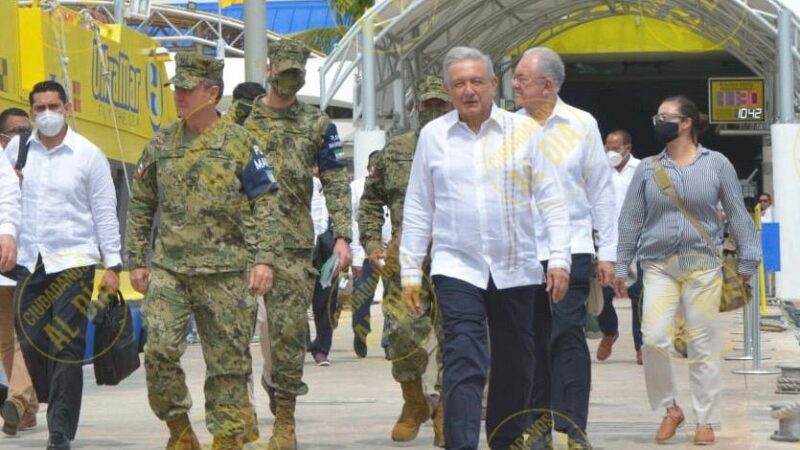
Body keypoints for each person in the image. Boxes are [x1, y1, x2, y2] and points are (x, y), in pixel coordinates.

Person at [400, 47, 571, 450]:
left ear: (494, 84)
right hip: (456, 266)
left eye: (477, 81)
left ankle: (504, 439)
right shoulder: (434, 137)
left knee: (516, 363)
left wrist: (560, 259)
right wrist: (410, 271)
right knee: (464, 357)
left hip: (516, 266)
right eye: (459, 83)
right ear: (447, 89)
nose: (469, 90)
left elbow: (551, 199)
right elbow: (419, 205)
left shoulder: (525, 132)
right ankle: (461, 443)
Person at [126, 53, 278, 450]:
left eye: (187, 88)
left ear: (212, 93)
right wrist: (137, 261)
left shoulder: (241, 142)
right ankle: (178, 428)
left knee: (227, 363)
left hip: (227, 272)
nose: (178, 95)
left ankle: (227, 437)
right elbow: (142, 203)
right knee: (158, 350)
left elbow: (265, 203)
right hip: (171, 271)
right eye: (176, 88)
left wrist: (264, 259)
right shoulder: (160, 144)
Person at [615, 95, 760, 446]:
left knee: (702, 344)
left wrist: (748, 258)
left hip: (702, 265)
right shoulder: (648, 169)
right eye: (656, 116)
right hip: (659, 266)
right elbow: (631, 219)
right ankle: (671, 408)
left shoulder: (717, 164)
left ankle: (706, 420)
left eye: (666, 117)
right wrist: (622, 264)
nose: (658, 122)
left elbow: (737, 213)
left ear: (686, 123)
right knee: (653, 339)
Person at [244, 38, 352, 450]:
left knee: (289, 336)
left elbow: (336, 180)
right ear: (269, 70)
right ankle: (240, 410)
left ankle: (285, 417)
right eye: (283, 72)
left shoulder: (318, 125)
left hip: (292, 246)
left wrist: (343, 234)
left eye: (296, 75)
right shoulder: (242, 125)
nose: (288, 81)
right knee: (233, 337)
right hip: (242, 244)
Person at [3, 80, 121, 450]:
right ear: (32, 111)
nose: (47, 114)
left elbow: (105, 213)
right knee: (32, 341)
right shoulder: (17, 153)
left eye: (54, 106)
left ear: (68, 108)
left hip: (73, 260)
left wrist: (114, 264)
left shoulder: (88, 155)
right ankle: (49, 400)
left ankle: (60, 430)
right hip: (29, 262)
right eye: (40, 108)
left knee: (65, 345)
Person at [513, 47, 616, 447]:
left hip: (571, 249)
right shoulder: (508, 127)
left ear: (548, 84)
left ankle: (572, 427)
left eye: (523, 77)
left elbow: (601, 191)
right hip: (522, 254)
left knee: (567, 336)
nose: (515, 84)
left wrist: (606, 252)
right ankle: (537, 431)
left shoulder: (580, 124)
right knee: (531, 342)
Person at [359, 75, 452, 447]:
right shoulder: (394, 151)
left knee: (455, 338)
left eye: (440, 105)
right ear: (416, 108)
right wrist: (371, 242)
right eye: (427, 105)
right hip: (405, 258)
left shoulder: (466, 146)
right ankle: (414, 402)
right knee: (401, 335)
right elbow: (369, 201)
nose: (433, 112)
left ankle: (447, 410)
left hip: (456, 255)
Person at [0, 107, 39, 436]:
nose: (24, 138)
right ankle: (27, 407)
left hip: (29, 259)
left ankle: (16, 398)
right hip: (2, 262)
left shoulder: (43, 160)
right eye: (17, 133)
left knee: (25, 335)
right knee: (5, 340)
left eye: (28, 131)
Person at [596, 129, 644, 364]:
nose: (611, 152)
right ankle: (609, 330)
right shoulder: (599, 170)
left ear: (628, 149)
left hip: (637, 241)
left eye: (615, 149)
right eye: (607, 148)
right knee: (602, 294)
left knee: (638, 294)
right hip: (606, 242)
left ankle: (641, 344)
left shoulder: (643, 170)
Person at [350, 150, 387, 359]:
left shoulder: (393, 185)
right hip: (365, 253)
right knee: (362, 298)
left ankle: (389, 340)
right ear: (367, 169)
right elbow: (353, 224)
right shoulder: (356, 189)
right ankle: (360, 332)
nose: (376, 172)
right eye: (373, 168)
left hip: (392, 252)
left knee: (393, 297)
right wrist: (356, 255)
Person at [0, 117, 21, 430]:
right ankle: (18, 402)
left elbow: (7, 198)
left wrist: (6, 233)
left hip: (15, 261)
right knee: (8, 340)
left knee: (18, 339)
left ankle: (18, 401)